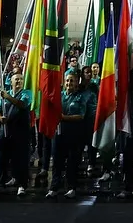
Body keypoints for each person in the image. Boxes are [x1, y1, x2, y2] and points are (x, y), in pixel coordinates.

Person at [49, 69, 94, 197]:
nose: (69, 83)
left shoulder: (80, 97)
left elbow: (81, 115)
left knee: (72, 162)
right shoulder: (59, 96)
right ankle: (54, 187)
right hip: (59, 133)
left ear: (76, 83)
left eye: (72, 81)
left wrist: (63, 117)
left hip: (74, 134)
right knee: (57, 162)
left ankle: (71, 187)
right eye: (67, 80)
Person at [0, 70, 33, 196]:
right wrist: (0, 119)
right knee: (1, 159)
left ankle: (22, 185)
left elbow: (22, 104)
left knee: (20, 159)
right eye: (16, 79)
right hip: (5, 131)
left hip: (21, 132)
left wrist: (8, 97)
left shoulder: (26, 93)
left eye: (21, 79)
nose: (19, 81)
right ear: (11, 82)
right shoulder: (6, 94)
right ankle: (0, 184)